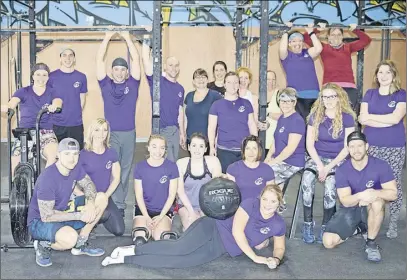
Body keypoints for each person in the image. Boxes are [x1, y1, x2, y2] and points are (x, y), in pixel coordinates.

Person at [101, 184, 286, 270]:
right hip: (213, 227)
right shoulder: (250, 204)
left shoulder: (278, 224)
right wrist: (256, 257)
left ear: (279, 203)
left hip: (221, 248)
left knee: (181, 263)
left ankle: (125, 260)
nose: (267, 204)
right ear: (260, 198)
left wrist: (275, 259)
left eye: (273, 201)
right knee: (179, 248)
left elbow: (279, 247)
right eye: (265, 199)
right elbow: (238, 232)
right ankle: (132, 250)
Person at [27, 138, 107, 267]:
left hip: (63, 211)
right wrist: (80, 215)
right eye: (67, 154)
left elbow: (88, 184)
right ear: (58, 155)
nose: (72, 158)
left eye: (75, 154)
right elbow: (47, 216)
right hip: (40, 222)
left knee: (101, 198)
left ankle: (81, 243)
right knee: (70, 239)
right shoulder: (47, 179)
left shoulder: (74, 167)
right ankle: (42, 243)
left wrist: (91, 204)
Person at [322, 131, 397, 262]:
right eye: (352, 146)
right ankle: (360, 228)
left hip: (371, 207)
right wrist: (361, 195)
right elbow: (345, 201)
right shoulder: (342, 169)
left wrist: (374, 193)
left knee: (378, 202)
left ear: (367, 146)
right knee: (328, 242)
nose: (356, 150)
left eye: (359, 146)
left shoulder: (380, 165)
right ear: (348, 149)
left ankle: (371, 243)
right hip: (351, 208)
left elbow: (393, 194)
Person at [300, 83, 356, 244]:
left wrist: (328, 168)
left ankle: (327, 225)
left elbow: (348, 147)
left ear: (339, 98)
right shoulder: (315, 116)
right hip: (317, 157)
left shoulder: (347, 117)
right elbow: (309, 144)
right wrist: (319, 165)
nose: (329, 100)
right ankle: (308, 223)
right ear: (321, 98)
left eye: (332, 96)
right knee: (306, 181)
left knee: (330, 187)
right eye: (325, 97)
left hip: (338, 159)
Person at [358, 60, 406, 239]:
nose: (384, 76)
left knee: (394, 185)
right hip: (372, 145)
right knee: (371, 183)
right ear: (376, 76)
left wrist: (371, 118)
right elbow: (362, 119)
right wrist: (376, 119)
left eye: (387, 72)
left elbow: (395, 119)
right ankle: (369, 222)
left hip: (394, 146)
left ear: (394, 75)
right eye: (380, 73)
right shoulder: (370, 94)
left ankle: (393, 223)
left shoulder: (401, 95)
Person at [96, 30, 141, 216]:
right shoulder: (106, 85)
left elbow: (136, 61)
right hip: (111, 133)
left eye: (123, 69)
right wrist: (107, 37)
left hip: (129, 133)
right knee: (112, 169)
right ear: (111, 71)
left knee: (125, 170)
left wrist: (127, 38)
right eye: (116, 69)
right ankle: (115, 204)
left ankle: (119, 204)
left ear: (127, 72)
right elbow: (99, 60)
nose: (120, 72)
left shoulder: (133, 85)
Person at [1, 63, 62, 169]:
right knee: (15, 158)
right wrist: (7, 107)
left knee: (53, 155)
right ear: (33, 76)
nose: (41, 78)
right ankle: (16, 183)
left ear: (48, 77)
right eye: (38, 74)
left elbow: (58, 102)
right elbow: (12, 103)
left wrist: (54, 106)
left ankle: (44, 183)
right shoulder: (24, 91)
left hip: (45, 131)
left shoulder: (53, 91)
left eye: (44, 75)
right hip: (25, 132)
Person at [303, 23, 372, 113]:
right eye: (333, 34)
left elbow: (366, 40)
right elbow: (306, 38)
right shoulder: (323, 48)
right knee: (329, 116)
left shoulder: (348, 47)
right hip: (330, 88)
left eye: (339, 34)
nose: (336, 37)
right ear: (328, 36)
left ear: (342, 36)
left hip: (348, 89)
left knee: (348, 117)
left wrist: (355, 30)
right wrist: (318, 30)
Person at [78, 118, 125, 236]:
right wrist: (83, 197)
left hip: (104, 196)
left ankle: (96, 218)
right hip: (87, 198)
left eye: (105, 130)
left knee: (119, 230)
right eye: (97, 130)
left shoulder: (111, 153)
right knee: (98, 211)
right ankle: (86, 227)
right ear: (91, 132)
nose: (101, 134)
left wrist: (105, 196)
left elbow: (117, 178)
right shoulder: (82, 155)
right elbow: (72, 180)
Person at [142, 40, 186, 162]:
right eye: (170, 65)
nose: (173, 68)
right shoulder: (157, 80)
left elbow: (180, 112)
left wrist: (182, 133)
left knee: (173, 163)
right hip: (161, 130)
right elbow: (146, 60)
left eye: (176, 65)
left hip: (175, 131)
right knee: (165, 162)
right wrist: (147, 39)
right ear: (165, 67)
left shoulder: (180, 88)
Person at [132, 134, 179, 245]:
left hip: (163, 210)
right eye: (154, 146)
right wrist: (147, 217)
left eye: (162, 147)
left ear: (165, 149)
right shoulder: (140, 167)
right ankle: (144, 225)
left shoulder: (171, 166)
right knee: (140, 238)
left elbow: (172, 195)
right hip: (144, 209)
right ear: (148, 147)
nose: (158, 151)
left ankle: (162, 225)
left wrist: (161, 216)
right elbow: (138, 195)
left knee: (160, 239)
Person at [208, 72, 258, 173]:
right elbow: (211, 128)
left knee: (244, 180)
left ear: (239, 84)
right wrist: (212, 147)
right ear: (224, 85)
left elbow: (252, 124)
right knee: (227, 181)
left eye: (236, 82)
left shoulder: (246, 103)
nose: (233, 85)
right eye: (229, 82)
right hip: (224, 151)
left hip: (244, 150)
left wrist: (255, 145)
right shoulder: (216, 105)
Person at [176, 133, 222, 230]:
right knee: (191, 227)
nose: (197, 150)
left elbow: (216, 189)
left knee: (208, 227)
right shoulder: (181, 163)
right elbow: (180, 192)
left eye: (201, 146)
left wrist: (204, 212)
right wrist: (191, 212)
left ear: (205, 149)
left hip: (207, 204)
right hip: (186, 204)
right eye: (194, 146)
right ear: (189, 147)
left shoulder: (213, 162)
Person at [279, 23, 322, 119]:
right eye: (293, 41)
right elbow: (282, 48)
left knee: (313, 124)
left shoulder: (307, 53)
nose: (297, 44)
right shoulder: (286, 56)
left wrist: (311, 32)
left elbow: (319, 48)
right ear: (289, 43)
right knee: (299, 125)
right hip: (296, 97)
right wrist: (286, 31)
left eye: (300, 41)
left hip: (313, 95)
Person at [265, 88, 305, 188]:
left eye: (289, 101)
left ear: (294, 102)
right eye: (283, 101)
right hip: (280, 160)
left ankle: (276, 201)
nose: (285, 104)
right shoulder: (282, 118)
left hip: (292, 163)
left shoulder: (297, 121)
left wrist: (273, 162)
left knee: (265, 178)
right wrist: (268, 157)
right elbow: (275, 140)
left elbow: (290, 149)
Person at [48, 47, 88, 149]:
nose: (68, 58)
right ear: (60, 59)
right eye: (64, 55)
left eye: (71, 55)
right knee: (58, 155)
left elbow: (82, 100)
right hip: (56, 124)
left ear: (74, 59)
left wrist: (74, 115)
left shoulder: (81, 77)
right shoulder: (51, 77)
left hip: (76, 124)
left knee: (77, 154)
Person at [227, 135, 275, 200]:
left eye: (254, 148)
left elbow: (270, 195)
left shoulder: (267, 170)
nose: (251, 152)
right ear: (243, 151)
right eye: (247, 148)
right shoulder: (233, 169)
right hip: (240, 207)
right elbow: (231, 196)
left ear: (259, 150)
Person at [184, 69, 222, 145]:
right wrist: (183, 134)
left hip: (208, 141)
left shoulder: (215, 96)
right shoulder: (189, 96)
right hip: (190, 140)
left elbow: (221, 119)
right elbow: (185, 119)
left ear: (207, 80)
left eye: (203, 77)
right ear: (193, 81)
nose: (201, 79)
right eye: (197, 77)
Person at [264, 70, 281, 155]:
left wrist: (267, 114)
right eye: (268, 79)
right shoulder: (260, 94)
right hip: (262, 139)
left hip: (275, 139)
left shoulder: (279, 95)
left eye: (273, 79)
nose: (271, 82)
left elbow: (285, 116)